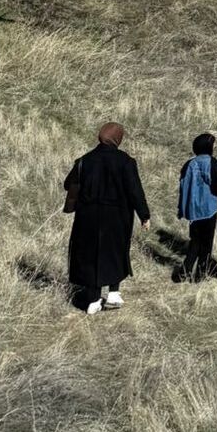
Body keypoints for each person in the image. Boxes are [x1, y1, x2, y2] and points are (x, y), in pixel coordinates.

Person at [64, 123, 150, 314]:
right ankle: (113, 292)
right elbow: (135, 191)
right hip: (117, 216)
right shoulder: (125, 161)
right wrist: (144, 215)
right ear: (118, 138)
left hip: (87, 217)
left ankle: (93, 299)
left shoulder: (85, 160)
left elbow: (68, 184)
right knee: (115, 252)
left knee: (90, 255)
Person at [177, 133, 217, 283]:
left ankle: (184, 272)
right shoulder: (213, 163)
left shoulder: (189, 164)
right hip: (208, 209)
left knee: (195, 242)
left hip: (193, 210)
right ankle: (200, 275)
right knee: (206, 245)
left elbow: (183, 184)